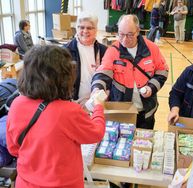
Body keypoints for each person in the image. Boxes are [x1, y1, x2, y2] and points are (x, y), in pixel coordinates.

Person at [6, 45, 106, 188]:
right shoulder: (69, 111)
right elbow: (96, 133)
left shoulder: (17, 104)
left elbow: (14, 148)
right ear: (63, 77)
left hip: (25, 182)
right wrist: (98, 107)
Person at [92, 14, 169, 130]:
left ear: (138, 31)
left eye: (129, 35)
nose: (124, 39)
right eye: (121, 34)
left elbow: (162, 71)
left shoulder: (152, 48)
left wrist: (151, 87)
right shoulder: (113, 51)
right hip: (122, 110)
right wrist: (97, 88)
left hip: (146, 111)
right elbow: (103, 72)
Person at [65, 12, 107, 104]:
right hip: (73, 102)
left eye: (89, 28)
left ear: (96, 30)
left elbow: (108, 76)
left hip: (96, 103)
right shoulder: (66, 51)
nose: (85, 31)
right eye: (81, 27)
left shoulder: (104, 51)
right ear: (76, 29)